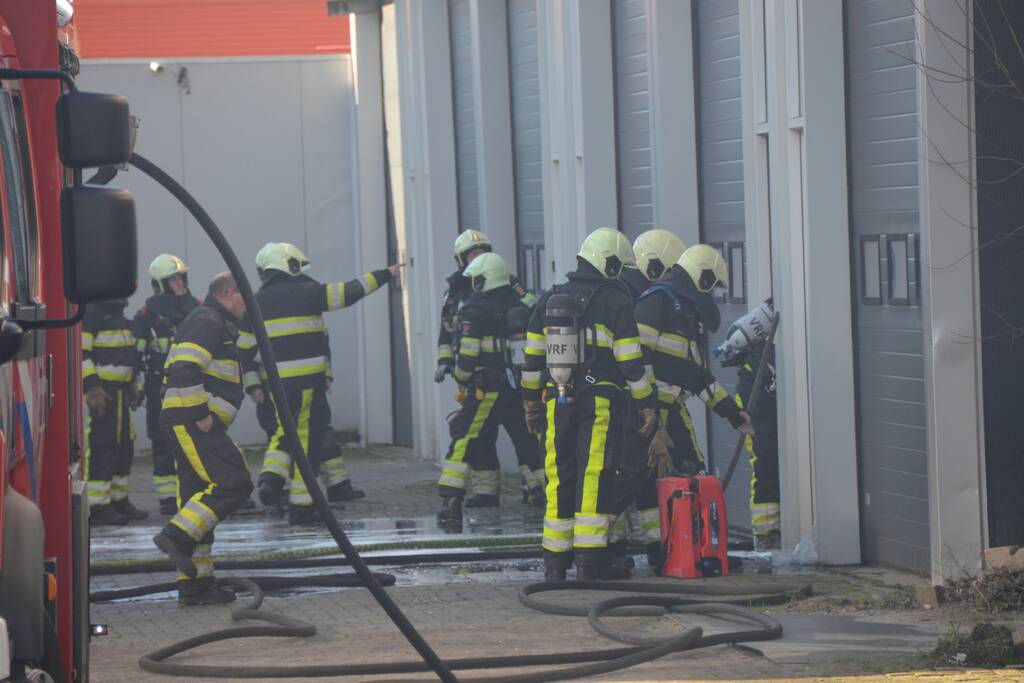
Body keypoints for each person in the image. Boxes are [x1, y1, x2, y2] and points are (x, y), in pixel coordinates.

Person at [521, 227, 658, 581]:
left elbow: (532, 359)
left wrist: (531, 403)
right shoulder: (616, 301)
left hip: (556, 400)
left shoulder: (550, 299)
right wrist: (646, 404)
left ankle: (555, 563)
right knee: (593, 473)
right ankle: (590, 561)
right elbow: (630, 361)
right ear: (609, 264)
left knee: (558, 474)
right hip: (599, 401)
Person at [249, 242, 400, 525]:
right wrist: (385, 274)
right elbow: (348, 292)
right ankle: (301, 504)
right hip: (306, 383)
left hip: (276, 387)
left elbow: (245, 349)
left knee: (285, 433)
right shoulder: (308, 292)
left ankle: (271, 479)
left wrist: (252, 385)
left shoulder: (255, 302)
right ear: (289, 264)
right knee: (307, 441)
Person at [635, 245, 755, 545]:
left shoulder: (686, 314)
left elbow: (699, 377)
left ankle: (691, 548)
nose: (712, 294)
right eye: (711, 287)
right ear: (702, 278)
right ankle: (661, 548)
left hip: (672, 408)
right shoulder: (658, 301)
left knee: (691, 472)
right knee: (650, 478)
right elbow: (636, 356)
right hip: (648, 412)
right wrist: (648, 410)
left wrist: (733, 414)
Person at [151, 273, 253, 606]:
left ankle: (196, 585)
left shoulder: (213, 320)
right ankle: (176, 536)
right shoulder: (208, 320)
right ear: (231, 293)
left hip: (189, 420)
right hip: (192, 420)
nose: (248, 305)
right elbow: (183, 368)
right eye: (245, 296)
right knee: (233, 482)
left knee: (197, 498)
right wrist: (200, 413)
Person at [434, 230, 543, 504]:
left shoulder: (507, 283)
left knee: (511, 432)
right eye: (471, 253)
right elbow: (447, 330)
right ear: (461, 259)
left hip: (492, 374)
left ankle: (535, 489)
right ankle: (487, 491)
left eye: (481, 252)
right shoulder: (456, 291)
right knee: (485, 436)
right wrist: (445, 362)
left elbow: (532, 310)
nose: (477, 257)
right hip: (476, 371)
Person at [607, 229, 687, 569]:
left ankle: (656, 547)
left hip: (629, 401)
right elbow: (635, 359)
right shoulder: (632, 299)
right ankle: (612, 550)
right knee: (622, 477)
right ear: (654, 266)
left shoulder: (638, 295)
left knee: (643, 477)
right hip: (622, 403)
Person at [133, 254, 201, 515]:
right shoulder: (147, 313)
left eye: (181, 277)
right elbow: (137, 354)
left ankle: (195, 489)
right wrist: (135, 385)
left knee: (194, 435)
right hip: (157, 385)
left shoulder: (198, 307)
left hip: (192, 382)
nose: (179, 283)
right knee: (162, 439)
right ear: (159, 284)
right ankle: (167, 496)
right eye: (172, 280)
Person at [720, 298, 780, 550]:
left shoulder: (767, 355)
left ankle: (770, 531)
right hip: (754, 405)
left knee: (768, 462)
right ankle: (765, 534)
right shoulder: (757, 362)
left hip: (763, 404)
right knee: (764, 461)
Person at [83, 298, 147, 525]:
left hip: (120, 393)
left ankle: (119, 500)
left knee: (124, 447)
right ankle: (98, 506)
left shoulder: (118, 316)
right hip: (103, 394)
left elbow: (126, 355)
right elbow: (82, 353)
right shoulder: (92, 314)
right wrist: (92, 388)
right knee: (104, 446)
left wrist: (133, 384)